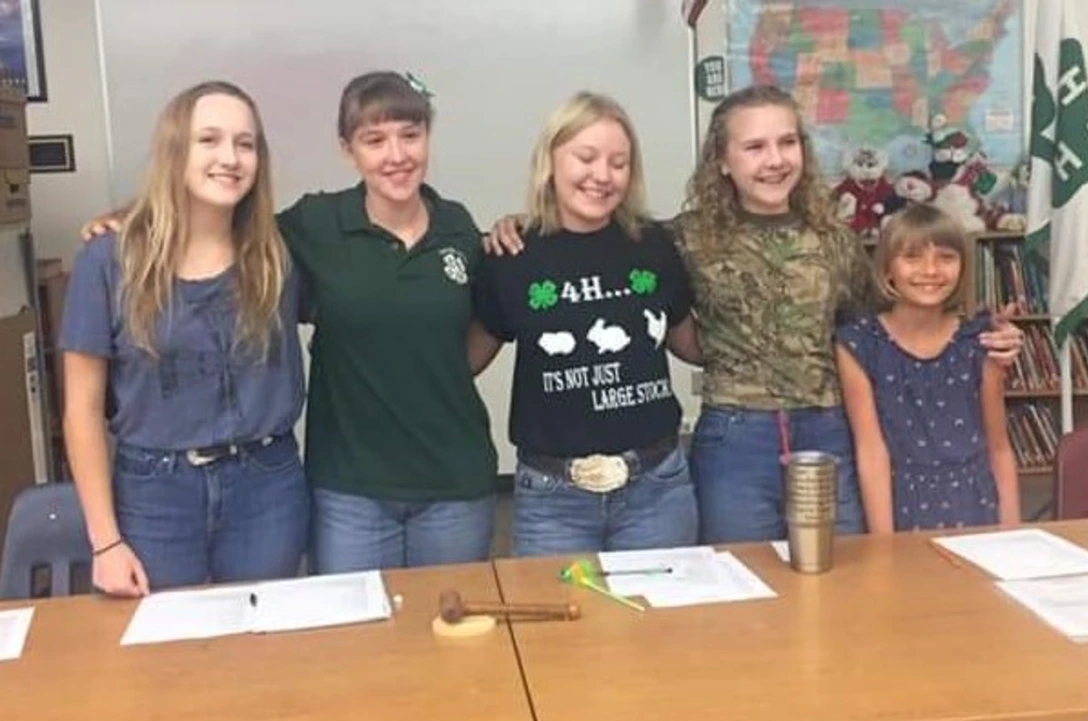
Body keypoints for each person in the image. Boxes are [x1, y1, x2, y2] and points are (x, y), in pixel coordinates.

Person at [486, 84, 1024, 545]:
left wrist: (983, 335)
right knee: (743, 587)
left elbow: (889, 325)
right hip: (734, 441)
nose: (774, 160)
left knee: (839, 580)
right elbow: (599, 240)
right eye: (755, 146)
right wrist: (523, 222)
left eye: (787, 143)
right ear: (723, 159)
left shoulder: (834, 240)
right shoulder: (684, 238)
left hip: (827, 431)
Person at [81, 72, 499, 572]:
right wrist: (132, 216)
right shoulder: (311, 227)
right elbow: (217, 217)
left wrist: (516, 227)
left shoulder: (459, 227)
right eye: (374, 140)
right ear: (348, 149)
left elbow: (491, 319)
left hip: (448, 477)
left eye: (410, 135)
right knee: (346, 634)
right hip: (347, 485)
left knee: (442, 632)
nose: (396, 154)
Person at [61, 81, 308, 596]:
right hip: (156, 492)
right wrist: (105, 543)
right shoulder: (110, 259)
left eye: (245, 144)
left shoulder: (277, 254)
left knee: (264, 648)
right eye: (209, 140)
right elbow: (81, 410)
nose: (230, 157)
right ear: (176, 150)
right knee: (164, 659)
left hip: (265, 486)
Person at [469, 91, 700, 556]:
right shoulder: (512, 254)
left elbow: (690, 343)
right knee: (561, 628)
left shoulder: (655, 245)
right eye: (586, 157)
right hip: (554, 498)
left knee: (665, 626)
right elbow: (465, 360)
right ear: (550, 161)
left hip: (656, 490)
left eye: (619, 162)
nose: (602, 175)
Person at [835, 203, 1020, 531]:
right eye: (913, 257)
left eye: (946, 258)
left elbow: (999, 448)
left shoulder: (980, 341)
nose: (930, 270)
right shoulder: (860, 345)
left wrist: (1012, 534)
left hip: (975, 503)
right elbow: (870, 451)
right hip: (901, 505)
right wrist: (884, 544)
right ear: (887, 268)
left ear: (963, 267)